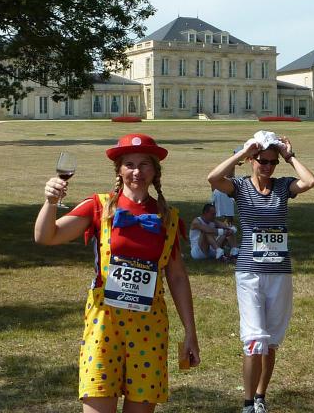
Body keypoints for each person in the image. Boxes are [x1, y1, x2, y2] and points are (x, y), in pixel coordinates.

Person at [34, 133, 200, 413]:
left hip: (149, 325)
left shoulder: (168, 217)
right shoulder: (99, 206)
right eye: (129, 164)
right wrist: (50, 202)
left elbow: (177, 277)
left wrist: (190, 332)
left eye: (144, 164)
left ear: (155, 171)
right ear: (119, 170)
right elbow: (45, 236)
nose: (137, 172)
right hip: (104, 322)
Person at [207, 130, 314, 413]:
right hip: (250, 272)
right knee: (255, 339)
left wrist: (289, 156)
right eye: (262, 161)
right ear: (252, 160)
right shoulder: (240, 187)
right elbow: (213, 178)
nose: (267, 166)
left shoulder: (283, 187)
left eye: (272, 162)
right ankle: (247, 403)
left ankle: (260, 397)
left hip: (279, 272)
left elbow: (310, 181)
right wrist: (243, 153)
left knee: (270, 342)